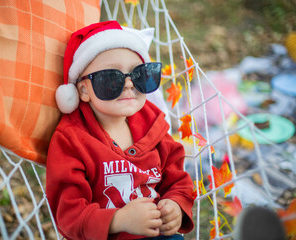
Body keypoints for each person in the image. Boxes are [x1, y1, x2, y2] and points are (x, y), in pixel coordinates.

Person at [46, 21, 194, 240]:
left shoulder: (153, 125)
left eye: (139, 75)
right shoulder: (71, 141)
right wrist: (118, 220)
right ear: (83, 90)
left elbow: (177, 179)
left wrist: (175, 203)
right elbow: (68, 215)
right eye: (110, 78)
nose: (128, 85)